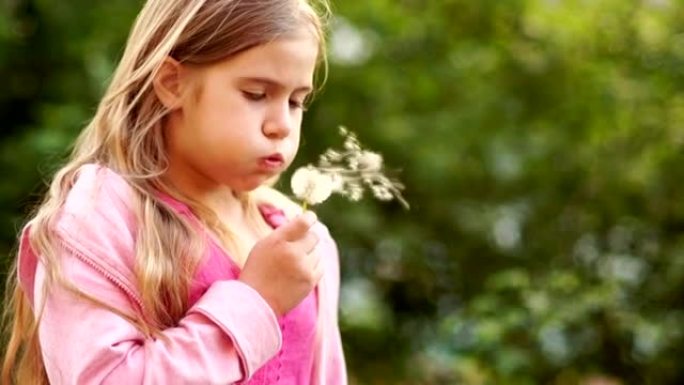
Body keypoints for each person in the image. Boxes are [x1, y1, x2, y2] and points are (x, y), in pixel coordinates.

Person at [1, 0, 347, 384]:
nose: (282, 125)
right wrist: (256, 303)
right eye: (255, 93)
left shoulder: (304, 241)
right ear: (171, 83)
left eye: (296, 101)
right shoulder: (102, 218)